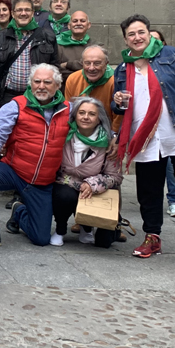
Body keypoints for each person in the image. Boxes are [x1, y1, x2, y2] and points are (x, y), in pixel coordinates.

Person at [113, 14, 175, 263]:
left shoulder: (173, 56)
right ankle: (152, 236)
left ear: (149, 34)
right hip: (145, 139)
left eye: (141, 32)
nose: (137, 37)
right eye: (131, 34)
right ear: (126, 40)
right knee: (148, 191)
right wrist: (118, 102)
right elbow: (119, 106)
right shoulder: (123, 68)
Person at [0, 64, 70, 249]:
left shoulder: (68, 110)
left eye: (47, 82)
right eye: (37, 81)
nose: (41, 86)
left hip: (42, 182)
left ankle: (19, 211)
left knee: (41, 239)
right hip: (14, 170)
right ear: (30, 84)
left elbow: (91, 124)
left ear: (58, 85)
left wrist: (112, 138)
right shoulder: (16, 105)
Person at [50, 97, 122, 248]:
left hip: (95, 190)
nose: (86, 117)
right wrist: (79, 185)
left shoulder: (109, 142)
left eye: (92, 114)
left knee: (104, 243)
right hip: (66, 184)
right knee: (64, 195)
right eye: (81, 113)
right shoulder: (64, 136)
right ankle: (60, 230)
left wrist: (91, 184)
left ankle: (87, 227)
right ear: (75, 115)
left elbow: (115, 177)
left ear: (99, 119)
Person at [0, 0, 60, 114]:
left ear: (32, 13)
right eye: (19, 10)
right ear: (13, 14)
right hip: (8, 96)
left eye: (27, 10)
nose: (23, 13)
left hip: (37, 96)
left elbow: (55, 68)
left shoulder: (47, 37)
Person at [148, 29, 175, 219]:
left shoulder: (173, 64)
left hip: (171, 124)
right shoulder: (138, 65)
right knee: (152, 167)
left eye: (156, 40)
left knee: (171, 165)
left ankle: (174, 201)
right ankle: (152, 205)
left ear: (163, 43)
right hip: (149, 125)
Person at [64, 45, 123, 133]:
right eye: (87, 63)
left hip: (107, 133)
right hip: (77, 131)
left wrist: (114, 135)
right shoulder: (73, 79)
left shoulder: (115, 82)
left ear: (106, 64)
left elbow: (118, 117)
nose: (91, 68)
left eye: (97, 63)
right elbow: (69, 110)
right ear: (82, 63)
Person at [56, 11, 93, 75]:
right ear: (69, 26)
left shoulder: (96, 46)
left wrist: (67, 64)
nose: (78, 23)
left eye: (82, 21)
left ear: (88, 25)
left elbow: (96, 66)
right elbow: (56, 69)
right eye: (75, 21)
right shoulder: (58, 46)